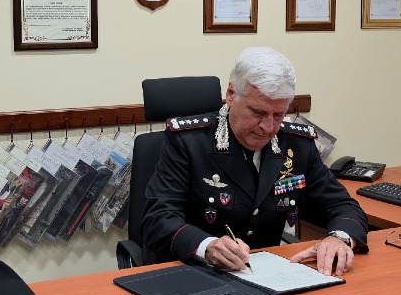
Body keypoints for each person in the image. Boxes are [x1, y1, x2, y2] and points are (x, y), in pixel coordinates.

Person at [143, 47, 369, 276]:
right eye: (258, 112)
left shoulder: (296, 144)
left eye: (278, 115)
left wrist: (339, 238)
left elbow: (343, 206)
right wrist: (207, 246)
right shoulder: (188, 142)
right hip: (193, 272)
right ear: (231, 94)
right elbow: (158, 219)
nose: (268, 127)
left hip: (265, 274)